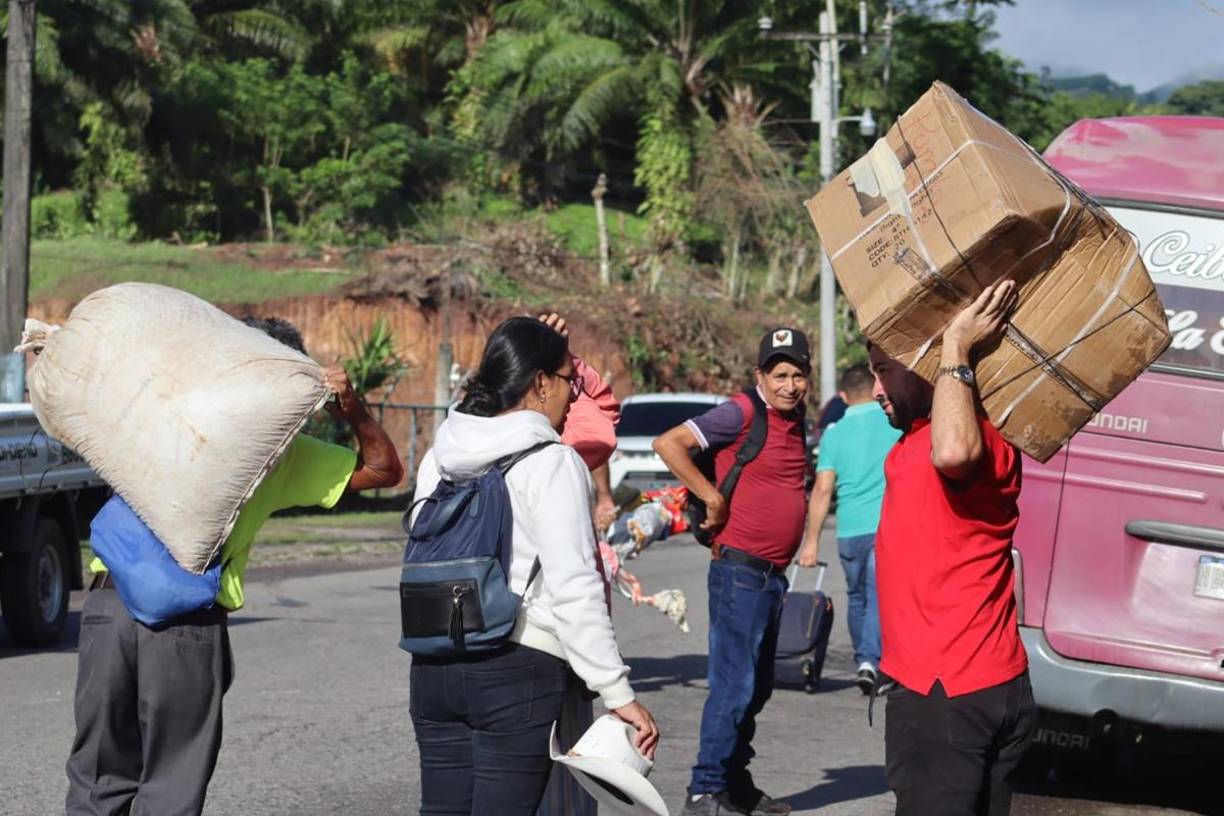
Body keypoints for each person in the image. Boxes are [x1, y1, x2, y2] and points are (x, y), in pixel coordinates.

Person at [65, 316, 404, 816]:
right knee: (170, 790)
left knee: (96, 786)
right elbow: (384, 470)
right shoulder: (279, 456)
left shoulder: (163, 409)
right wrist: (349, 407)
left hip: (105, 609)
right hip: (183, 627)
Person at [409, 316, 659, 815]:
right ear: (540, 382)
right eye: (570, 380)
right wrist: (616, 691)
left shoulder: (440, 455)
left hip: (433, 662)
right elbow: (574, 587)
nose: (573, 396)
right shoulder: (551, 461)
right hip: (515, 668)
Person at [871, 281, 1036, 816]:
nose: (875, 388)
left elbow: (953, 451)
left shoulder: (974, 440)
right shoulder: (926, 436)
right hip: (987, 684)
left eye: (884, 370)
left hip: (946, 691)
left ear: (925, 367)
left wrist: (955, 345)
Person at [654, 327, 817, 816]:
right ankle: (704, 791)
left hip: (771, 576)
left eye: (799, 375)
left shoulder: (797, 417)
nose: (791, 385)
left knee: (758, 686)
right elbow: (669, 443)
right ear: (760, 376)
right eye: (780, 374)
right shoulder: (742, 411)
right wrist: (712, 497)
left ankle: (734, 782)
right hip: (739, 574)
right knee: (733, 685)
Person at [798, 363, 900, 694]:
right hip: (887, 527)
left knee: (857, 598)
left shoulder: (834, 433)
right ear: (876, 389)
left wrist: (810, 543)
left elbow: (823, 490)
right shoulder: (894, 423)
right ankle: (871, 661)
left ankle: (864, 661)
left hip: (849, 531)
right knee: (878, 596)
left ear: (843, 397)